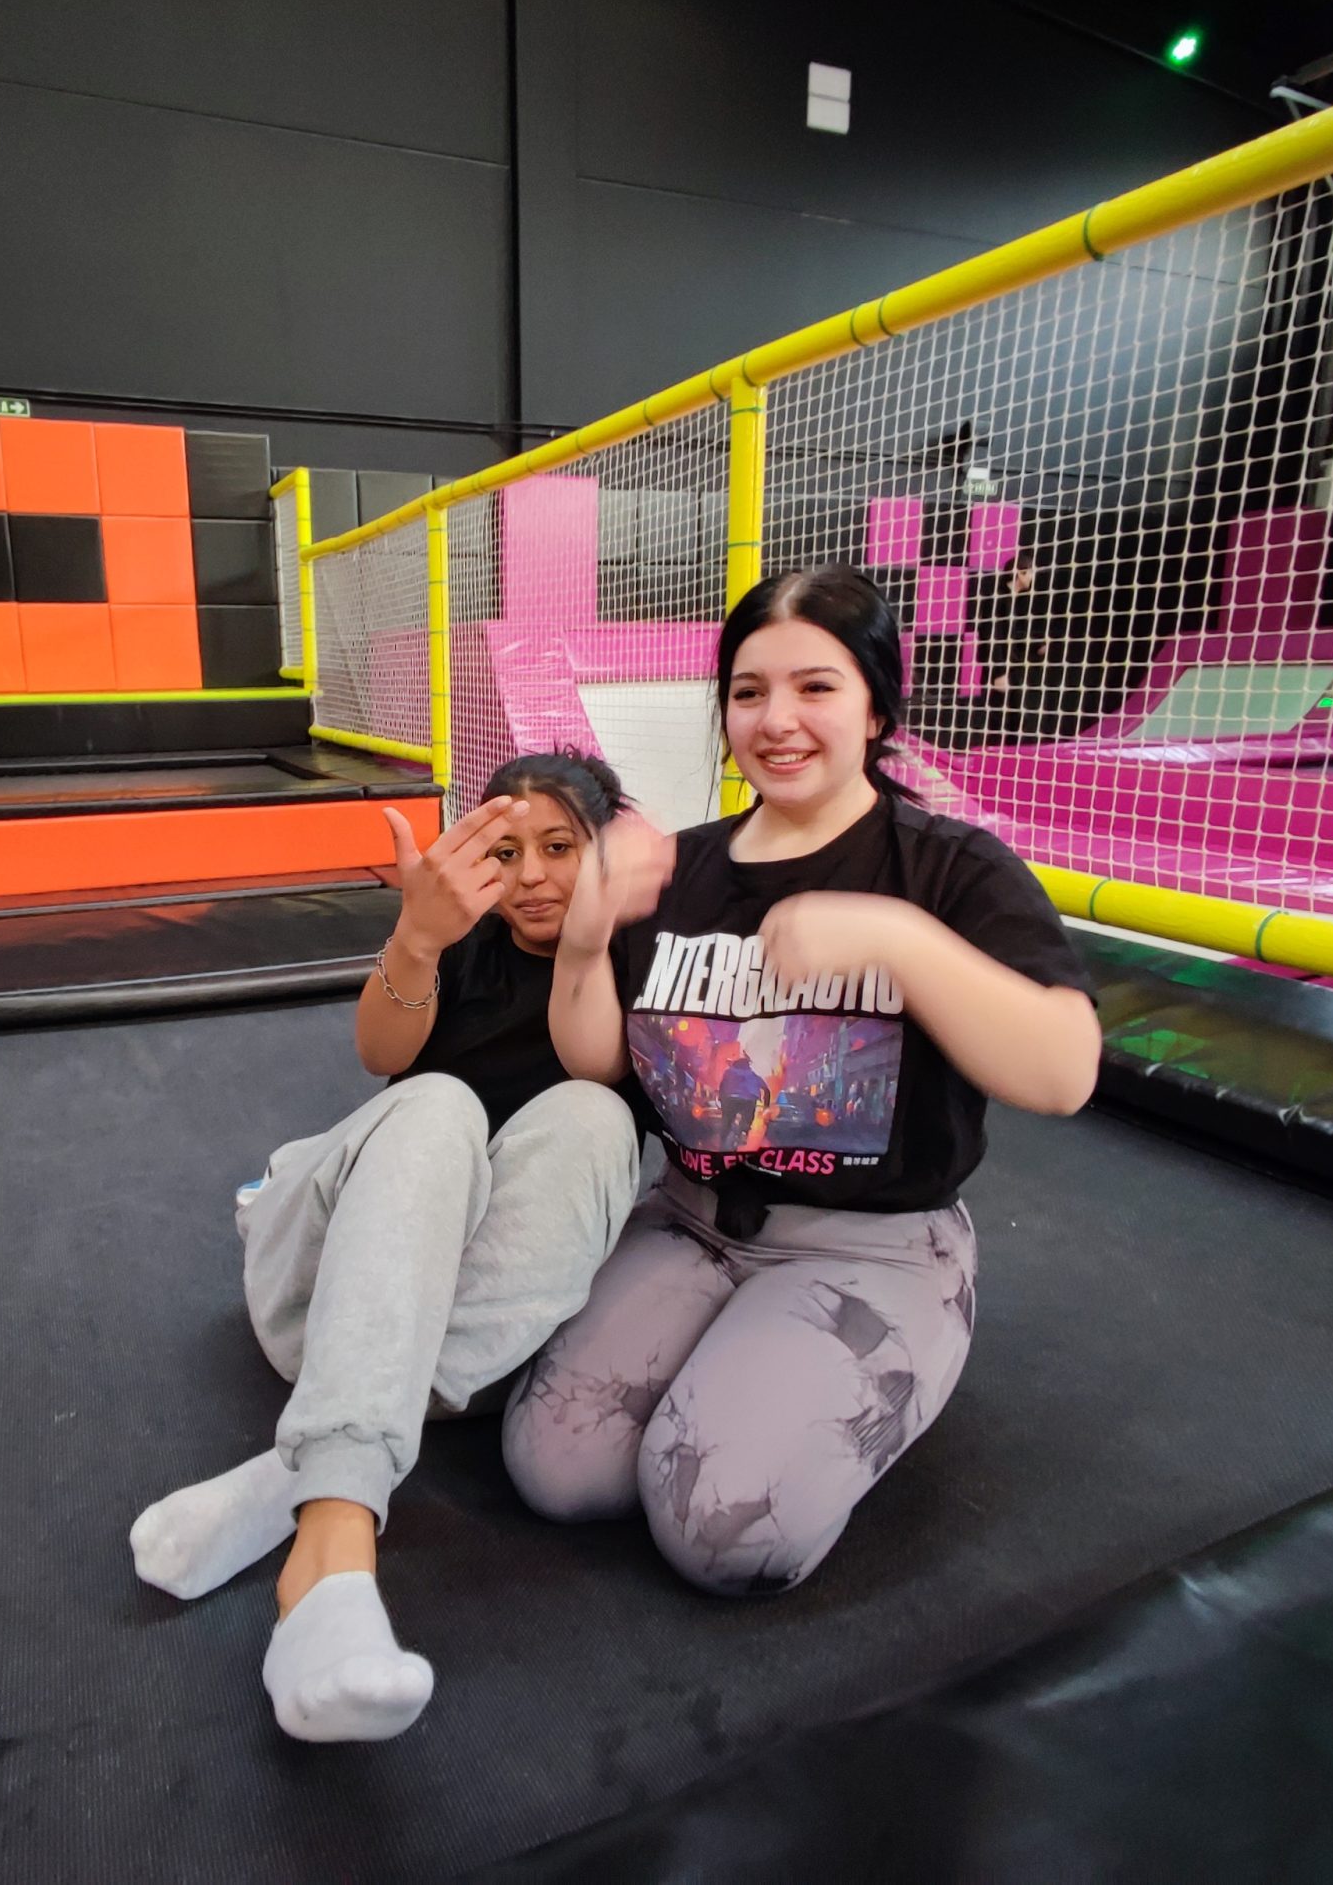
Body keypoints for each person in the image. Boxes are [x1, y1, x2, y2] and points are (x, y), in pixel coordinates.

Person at [503, 564, 1100, 1595]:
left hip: (871, 1246)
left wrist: (898, 940)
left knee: (720, 1532)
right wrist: (587, 938)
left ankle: (908, 1347)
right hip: (690, 1218)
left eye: (815, 686)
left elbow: (1063, 1071)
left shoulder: (947, 868)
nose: (776, 719)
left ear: (876, 708)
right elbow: (596, 1061)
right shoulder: (680, 868)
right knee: (555, 1469)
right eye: (748, 691)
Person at [130, 752, 644, 1743]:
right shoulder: (459, 936)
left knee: (596, 1117)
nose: (533, 876)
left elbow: (604, 1068)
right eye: (505, 852)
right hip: (336, 1294)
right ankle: (331, 1548)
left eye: (560, 847)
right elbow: (380, 1055)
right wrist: (416, 935)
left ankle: (306, 1482)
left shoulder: (635, 958)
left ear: (605, 851)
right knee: (439, 1105)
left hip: (460, 1347)